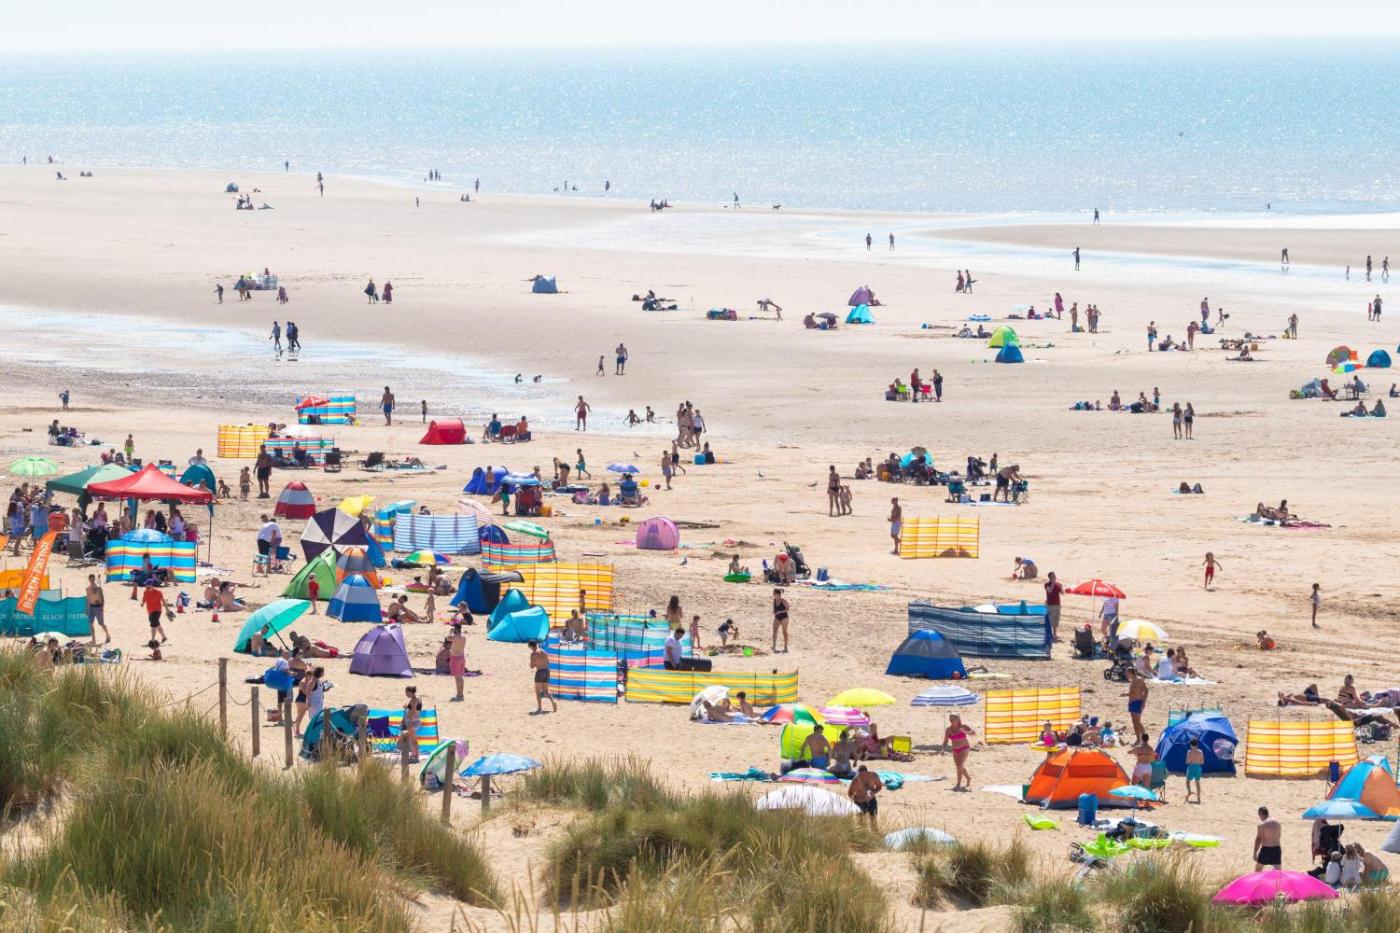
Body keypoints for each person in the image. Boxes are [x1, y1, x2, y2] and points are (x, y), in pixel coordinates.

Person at [943, 713, 976, 791]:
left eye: (953, 718)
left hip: (964, 748)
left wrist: (967, 732)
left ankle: (958, 784)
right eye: (950, 718)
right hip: (955, 749)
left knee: (959, 765)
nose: (951, 720)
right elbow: (945, 740)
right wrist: (943, 749)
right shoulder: (948, 729)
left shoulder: (963, 726)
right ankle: (968, 778)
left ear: (958, 719)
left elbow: (974, 733)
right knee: (959, 766)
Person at [529, 640, 557, 714]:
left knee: (537, 691)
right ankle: (553, 701)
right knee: (545, 691)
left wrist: (534, 663)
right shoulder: (543, 651)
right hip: (547, 671)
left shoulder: (533, 654)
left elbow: (531, 666)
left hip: (540, 672)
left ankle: (539, 708)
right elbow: (548, 662)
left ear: (531, 646)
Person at [85, 573, 110, 645]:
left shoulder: (99, 588)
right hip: (91, 607)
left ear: (94, 579)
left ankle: (107, 635)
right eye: (91, 579)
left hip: (98, 607)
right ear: (89, 579)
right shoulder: (87, 588)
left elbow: (102, 598)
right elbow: (88, 599)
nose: (92, 580)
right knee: (90, 623)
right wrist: (86, 608)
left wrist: (102, 607)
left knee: (101, 623)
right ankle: (93, 640)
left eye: (93, 579)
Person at [401, 685, 423, 763]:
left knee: (413, 740)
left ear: (410, 692)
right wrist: (407, 707)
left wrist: (409, 722)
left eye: (407, 692)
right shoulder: (417, 698)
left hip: (413, 721)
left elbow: (413, 711)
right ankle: (414, 754)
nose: (406, 694)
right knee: (412, 739)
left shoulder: (414, 699)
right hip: (414, 720)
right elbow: (414, 709)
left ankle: (415, 756)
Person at [1125, 667, 1148, 737]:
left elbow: (1146, 691)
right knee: (1134, 723)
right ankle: (1138, 739)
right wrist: (1125, 694)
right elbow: (1133, 693)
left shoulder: (1139, 680)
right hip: (1132, 703)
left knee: (1138, 722)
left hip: (1138, 702)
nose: (1126, 674)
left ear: (1130, 673)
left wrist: (1144, 702)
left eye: (1127, 673)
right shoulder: (1132, 681)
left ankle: (1145, 737)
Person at [447, 622, 467, 701]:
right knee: (460, 677)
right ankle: (461, 694)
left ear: (456, 629)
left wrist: (450, 631)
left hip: (455, 658)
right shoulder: (463, 637)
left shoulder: (455, 637)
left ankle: (459, 695)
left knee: (457, 678)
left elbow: (447, 638)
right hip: (462, 657)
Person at [1043, 571, 1063, 640]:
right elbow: (1049, 591)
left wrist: (1061, 587)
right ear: (1050, 578)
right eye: (1053, 576)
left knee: (1056, 621)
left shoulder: (1057, 585)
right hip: (1051, 605)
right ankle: (1048, 635)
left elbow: (1062, 593)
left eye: (1054, 576)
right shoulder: (1047, 584)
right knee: (1050, 621)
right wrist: (1052, 584)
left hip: (1058, 605)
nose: (1054, 577)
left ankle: (1055, 635)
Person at [771, 588, 790, 654]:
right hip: (777, 617)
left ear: (778, 594)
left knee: (784, 632)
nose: (773, 594)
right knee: (774, 631)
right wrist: (774, 612)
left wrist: (780, 612)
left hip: (784, 617)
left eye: (774, 593)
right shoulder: (774, 600)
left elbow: (788, 609)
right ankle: (774, 646)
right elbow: (774, 608)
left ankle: (785, 647)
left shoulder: (783, 600)